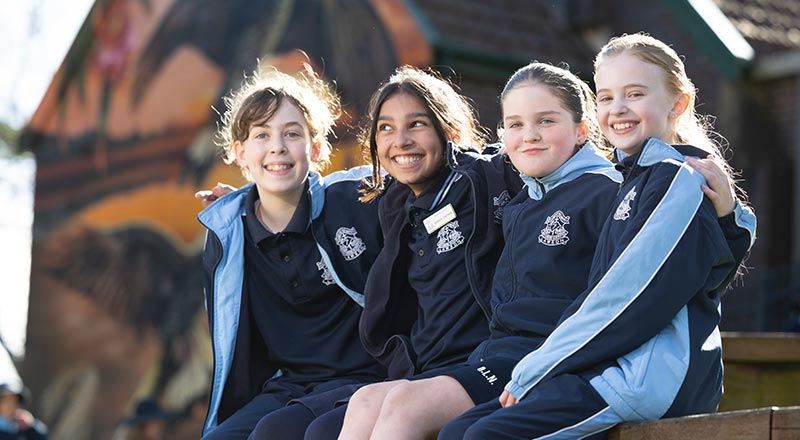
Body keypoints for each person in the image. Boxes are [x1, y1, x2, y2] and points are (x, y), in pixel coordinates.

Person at [450, 33, 756, 440]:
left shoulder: (675, 179)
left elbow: (626, 295)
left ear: (678, 104)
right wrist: (734, 221)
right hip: (607, 366)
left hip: (646, 375)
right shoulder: (630, 179)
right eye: (607, 97)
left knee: (482, 437)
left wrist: (537, 367)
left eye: (635, 94)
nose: (618, 109)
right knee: (460, 430)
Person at [340, 61, 623, 440]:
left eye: (546, 121)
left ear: (583, 130)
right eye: (517, 125)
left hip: (543, 360)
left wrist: (721, 210)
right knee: (365, 402)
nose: (530, 136)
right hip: (495, 354)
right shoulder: (525, 197)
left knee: (408, 404)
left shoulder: (604, 190)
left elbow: (655, 237)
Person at [293, 66, 525, 440]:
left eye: (416, 124)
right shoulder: (393, 202)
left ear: (448, 130)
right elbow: (309, 187)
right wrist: (245, 198)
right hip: (425, 369)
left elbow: (538, 152)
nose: (400, 140)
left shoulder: (485, 176)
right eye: (385, 128)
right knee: (341, 417)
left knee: (401, 408)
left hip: (485, 360)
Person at [196, 66, 385, 440]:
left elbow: (411, 171)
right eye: (261, 135)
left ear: (315, 149)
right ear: (239, 153)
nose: (277, 147)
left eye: (292, 134)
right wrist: (231, 212)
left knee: (275, 434)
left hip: (364, 379)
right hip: (288, 387)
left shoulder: (354, 199)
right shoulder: (227, 237)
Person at [0, 349, 47, 440]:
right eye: (6, 401)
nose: (11, 406)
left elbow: (43, 436)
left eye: (14, 402)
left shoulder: (24, 428)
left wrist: (31, 425)